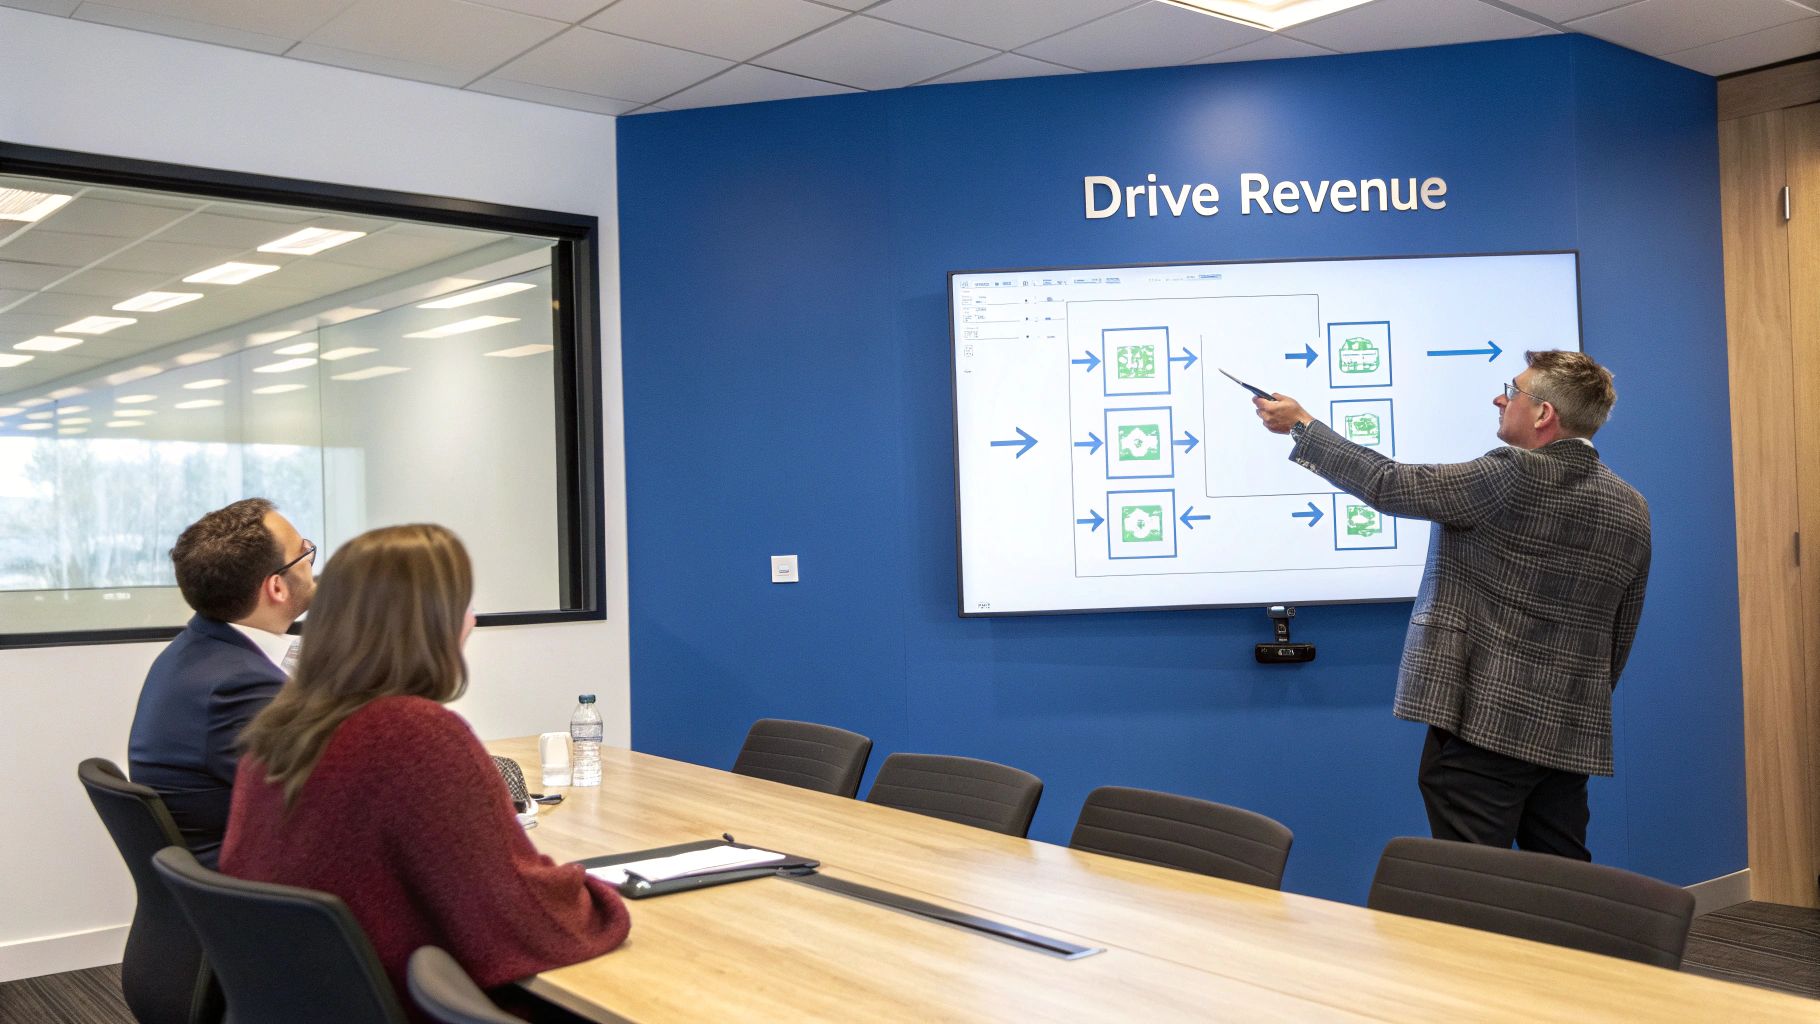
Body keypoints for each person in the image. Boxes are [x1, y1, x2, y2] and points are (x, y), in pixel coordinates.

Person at [1253, 350, 1650, 859]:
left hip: (1482, 729)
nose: (1500, 398)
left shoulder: (1511, 473)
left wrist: (1302, 425)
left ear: (1544, 413)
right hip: (1567, 732)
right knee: (1561, 882)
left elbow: (1388, 483)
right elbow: (1621, 632)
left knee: (1471, 885)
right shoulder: (1631, 505)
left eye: (1514, 390)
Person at [221, 524, 629, 1009]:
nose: (471, 620)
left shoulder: (278, 728)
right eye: (461, 604)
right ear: (429, 622)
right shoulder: (409, 735)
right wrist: (606, 898)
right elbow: (518, 916)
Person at [128, 497, 315, 866]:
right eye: (303, 551)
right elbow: (326, 799)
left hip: (208, 888)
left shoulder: (199, 650)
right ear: (276, 587)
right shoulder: (239, 687)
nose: (310, 557)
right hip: (253, 897)